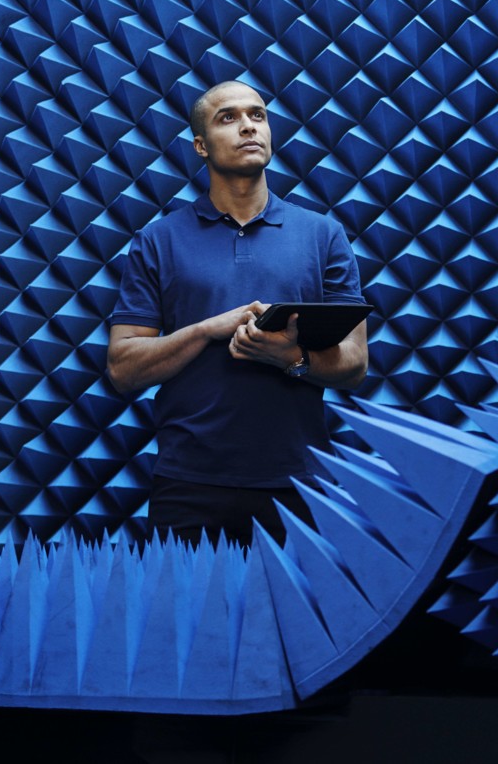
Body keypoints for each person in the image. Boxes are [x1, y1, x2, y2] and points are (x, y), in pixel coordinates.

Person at [106, 81, 369, 546]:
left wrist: (290, 357)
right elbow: (123, 369)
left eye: (258, 115)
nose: (249, 125)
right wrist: (208, 329)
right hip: (189, 484)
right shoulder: (159, 241)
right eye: (228, 117)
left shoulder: (323, 235)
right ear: (201, 146)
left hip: (301, 483)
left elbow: (355, 366)